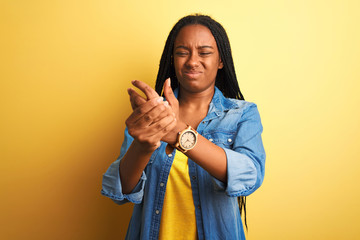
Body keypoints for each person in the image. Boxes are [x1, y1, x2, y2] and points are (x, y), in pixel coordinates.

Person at [101, 14, 266, 240]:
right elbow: (120, 193)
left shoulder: (241, 114)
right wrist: (142, 146)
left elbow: (250, 177)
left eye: (204, 52)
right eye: (182, 52)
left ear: (220, 60)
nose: (192, 61)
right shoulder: (152, 115)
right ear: (172, 59)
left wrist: (180, 134)